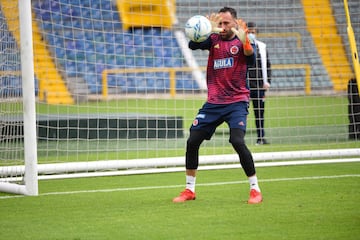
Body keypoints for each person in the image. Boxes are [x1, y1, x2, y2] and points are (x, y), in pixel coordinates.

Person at [173, 7, 262, 204]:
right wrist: (209, 29)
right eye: (220, 23)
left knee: (237, 141)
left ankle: (255, 190)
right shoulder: (213, 39)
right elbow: (192, 45)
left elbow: (250, 56)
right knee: (192, 141)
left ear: (235, 23)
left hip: (236, 102)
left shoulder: (242, 40)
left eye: (226, 23)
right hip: (213, 103)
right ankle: (189, 190)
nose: (222, 27)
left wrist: (246, 41)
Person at [247, 22, 272, 145]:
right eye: (249, 32)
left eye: (253, 32)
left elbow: (267, 65)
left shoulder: (262, 46)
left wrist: (267, 82)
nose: (251, 34)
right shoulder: (242, 46)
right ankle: (239, 139)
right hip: (244, 87)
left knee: (260, 113)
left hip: (259, 87)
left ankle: (261, 138)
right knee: (240, 113)